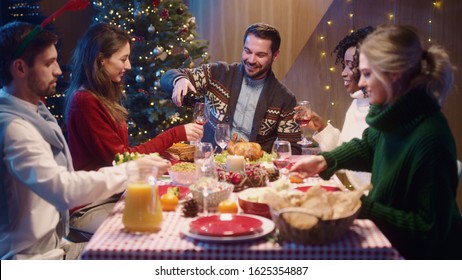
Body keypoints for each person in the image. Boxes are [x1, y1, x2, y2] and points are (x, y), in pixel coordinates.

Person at [0, 21, 171, 259]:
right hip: (36, 260)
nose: (59, 70)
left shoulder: (35, 112)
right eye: (49, 63)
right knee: (144, 248)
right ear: (20, 68)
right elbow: (63, 189)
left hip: (57, 247)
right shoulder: (15, 128)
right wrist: (131, 170)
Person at [290, 25, 462, 259]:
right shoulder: (396, 115)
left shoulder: (430, 138)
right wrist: (324, 160)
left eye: (368, 74)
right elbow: (368, 146)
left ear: (395, 75)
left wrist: (361, 205)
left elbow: (428, 231)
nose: (361, 83)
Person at [64, 22, 203, 172]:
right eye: (123, 59)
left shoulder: (98, 96)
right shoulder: (84, 101)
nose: (129, 66)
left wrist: (156, 155)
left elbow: (121, 153)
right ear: (101, 59)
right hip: (102, 192)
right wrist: (174, 134)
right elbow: (121, 159)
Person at [161, 23, 301, 154]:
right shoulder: (217, 73)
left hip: (252, 170)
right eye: (247, 51)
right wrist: (178, 80)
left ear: (275, 55)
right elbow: (168, 76)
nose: (251, 60)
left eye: (260, 55)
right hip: (209, 162)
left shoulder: (284, 99)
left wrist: (264, 159)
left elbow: (292, 147)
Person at [301, 26, 374, 191]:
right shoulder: (357, 103)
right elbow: (346, 154)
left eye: (351, 66)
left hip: (364, 199)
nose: (343, 73)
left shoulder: (384, 113)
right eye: (344, 65)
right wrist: (322, 128)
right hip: (351, 193)